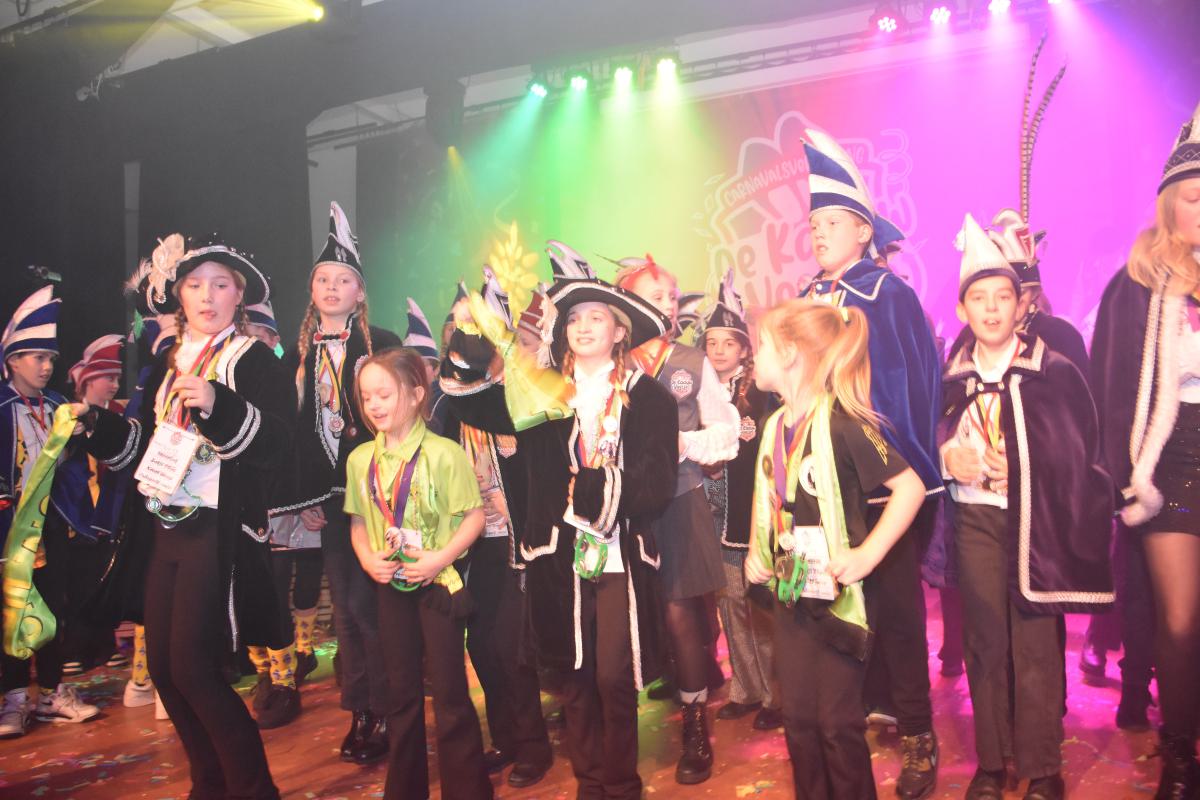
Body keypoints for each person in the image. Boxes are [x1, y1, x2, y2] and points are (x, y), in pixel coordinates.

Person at [457, 244, 679, 800]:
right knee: (574, 677)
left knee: (613, 676)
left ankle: (621, 785)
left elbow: (656, 485)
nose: (583, 326)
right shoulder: (539, 392)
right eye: (574, 317)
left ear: (620, 331)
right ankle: (590, 783)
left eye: (597, 317)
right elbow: (469, 403)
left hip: (621, 552)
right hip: (558, 557)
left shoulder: (650, 398)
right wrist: (469, 336)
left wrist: (597, 492)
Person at [82, 232, 292, 799]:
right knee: (167, 673)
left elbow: (278, 445)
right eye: (195, 285)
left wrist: (220, 404)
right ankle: (209, 785)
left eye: (220, 285)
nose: (207, 296)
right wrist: (98, 427)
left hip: (216, 529)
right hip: (162, 524)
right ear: (178, 295)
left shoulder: (255, 360)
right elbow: (144, 447)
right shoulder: (167, 362)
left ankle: (254, 790)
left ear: (239, 295)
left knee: (196, 669)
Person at [941, 214, 1114, 800]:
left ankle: (1042, 767)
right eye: (978, 299)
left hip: (1036, 523)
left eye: (1002, 297)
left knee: (1036, 644)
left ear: (1021, 305)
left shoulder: (1054, 371)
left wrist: (1024, 468)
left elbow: (1081, 452)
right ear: (962, 309)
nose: (991, 309)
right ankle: (993, 763)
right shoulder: (953, 374)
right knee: (985, 640)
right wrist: (947, 457)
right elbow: (930, 433)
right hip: (975, 519)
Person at [798, 126, 943, 799]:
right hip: (819, 488)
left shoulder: (888, 293)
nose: (819, 234)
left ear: (863, 231)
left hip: (882, 486)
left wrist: (903, 471)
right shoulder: (806, 297)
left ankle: (918, 737)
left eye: (832, 223)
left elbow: (919, 386)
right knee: (833, 611)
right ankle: (845, 724)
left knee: (899, 618)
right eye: (813, 225)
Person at [745, 297, 925, 799]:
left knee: (836, 724)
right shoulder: (774, 426)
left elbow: (910, 488)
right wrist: (759, 552)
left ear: (790, 354)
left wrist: (867, 555)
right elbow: (772, 498)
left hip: (840, 604)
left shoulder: (846, 424)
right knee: (800, 721)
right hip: (792, 596)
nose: (753, 356)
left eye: (760, 346)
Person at [1091, 100, 1200, 799]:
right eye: (1194, 196)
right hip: (1172, 462)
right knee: (1180, 619)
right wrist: (1120, 476)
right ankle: (1180, 757)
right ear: (1169, 205)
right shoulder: (1137, 283)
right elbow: (1108, 384)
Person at [274, 201, 402, 762]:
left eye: (342, 279)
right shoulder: (297, 354)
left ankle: (390, 708)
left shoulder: (382, 343)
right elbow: (295, 431)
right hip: (327, 503)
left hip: (378, 495)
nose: (331, 287)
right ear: (312, 291)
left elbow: (403, 419)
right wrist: (303, 497)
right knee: (347, 613)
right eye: (323, 279)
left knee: (371, 607)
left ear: (360, 292)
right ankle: (361, 710)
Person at [345, 346, 493, 800]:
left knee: (449, 692)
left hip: (439, 585)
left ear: (415, 393)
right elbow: (358, 521)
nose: (374, 405)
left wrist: (439, 558)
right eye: (366, 397)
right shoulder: (360, 459)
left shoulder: (444, 453)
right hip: (391, 586)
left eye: (384, 394)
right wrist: (367, 558)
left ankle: (467, 790)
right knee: (400, 692)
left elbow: (474, 517)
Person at [616, 250, 739, 785]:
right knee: (628, 619)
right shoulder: (608, 364)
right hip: (622, 509)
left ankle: (695, 727)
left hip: (680, 501)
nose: (667, 303)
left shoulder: (691, 360)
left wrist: (681, 443)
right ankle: (619, 734)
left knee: (681, 615)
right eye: (654, 295)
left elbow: (727, 433)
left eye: (670, 295)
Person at [437, 272, 555, 788]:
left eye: (476, 334)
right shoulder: (448, 405)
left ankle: (533, 746)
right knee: (482, 646)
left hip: (519, 543)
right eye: (458, 335)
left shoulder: (524, 399)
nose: (464, 345)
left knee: (512, 649)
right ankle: (506, 737)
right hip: (471, 545)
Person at [0, 286, 101, 739]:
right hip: (11, 531)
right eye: (37, 357)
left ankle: (52, 693)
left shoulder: (60, 406)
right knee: (15, 611)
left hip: (55, 526)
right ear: (13, 360)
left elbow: (75, 470)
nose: (45, 367)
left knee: (56, 609)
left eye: (50, 359)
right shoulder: (2, 409)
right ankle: (14, 697)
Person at [700, 269, 782, 731]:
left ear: (745, 349)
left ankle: (776, 694)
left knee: (759, 606)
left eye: (728, 344)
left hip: (751, 516)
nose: (718, 352)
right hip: (713, 514)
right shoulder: (698, 393)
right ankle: (744, 689)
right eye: (711, 343)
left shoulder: (760, 394)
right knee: (729, 605)